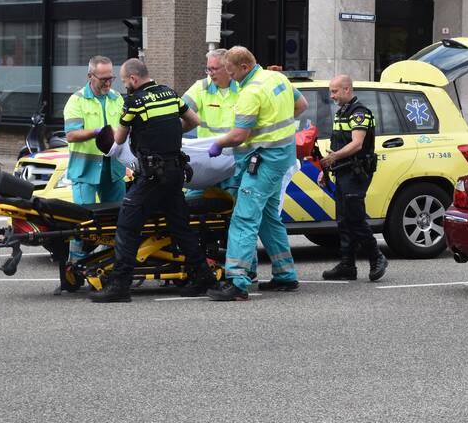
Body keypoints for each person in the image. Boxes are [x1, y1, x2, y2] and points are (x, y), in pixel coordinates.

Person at [91, 59, 216, 303]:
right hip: (175, 171)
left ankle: (120, 284)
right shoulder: (170, 94)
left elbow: (119, 139)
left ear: (134, 79)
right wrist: (167, 130)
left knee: (127, 224)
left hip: (152, 175)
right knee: (181, 226)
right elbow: (193, 121)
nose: (125, 85)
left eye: (125, 81)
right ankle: (204, 277)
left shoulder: (134, 102)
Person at [205, 46, 308, 301]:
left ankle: (238, 282)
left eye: (231, 72)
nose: (230, 77)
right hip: (282, 157)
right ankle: (285, 275)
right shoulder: (277, 78)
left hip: (263, 160)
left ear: (244, 67)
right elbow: (301, 104)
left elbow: (239, 135)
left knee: (244, 218)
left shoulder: (251, 92)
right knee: (269, 218)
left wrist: (219, 144)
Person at [318, 75, 388, 282]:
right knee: (343, 219)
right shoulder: (342, 112)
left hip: (356, 172)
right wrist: (327, 169)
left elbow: (357, 144)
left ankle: (377, 257)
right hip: (343, 171)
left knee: (355, 218)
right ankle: (347, 265)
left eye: (335, 91)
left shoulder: (359, 113)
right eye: (331, 91)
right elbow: (338, 145)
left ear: (347, 89)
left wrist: (333, 159)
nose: (331, 96)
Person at [63, 56, 127, 206]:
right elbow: (71, 135)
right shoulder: (76, 100)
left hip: (114, 170)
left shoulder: (117, 98)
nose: (108, 82)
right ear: (90, 76)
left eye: (111, 78)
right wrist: (99, 132)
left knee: (117, 217)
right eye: (103, 79)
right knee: (86, 219)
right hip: (85, 170)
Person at [182, 49, 239, 140]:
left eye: (214, 69)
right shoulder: (200, 87)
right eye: (208, 69)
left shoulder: (243, 88)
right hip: (208, 150)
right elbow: (179, 109)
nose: (210, 74)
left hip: (237, 150)